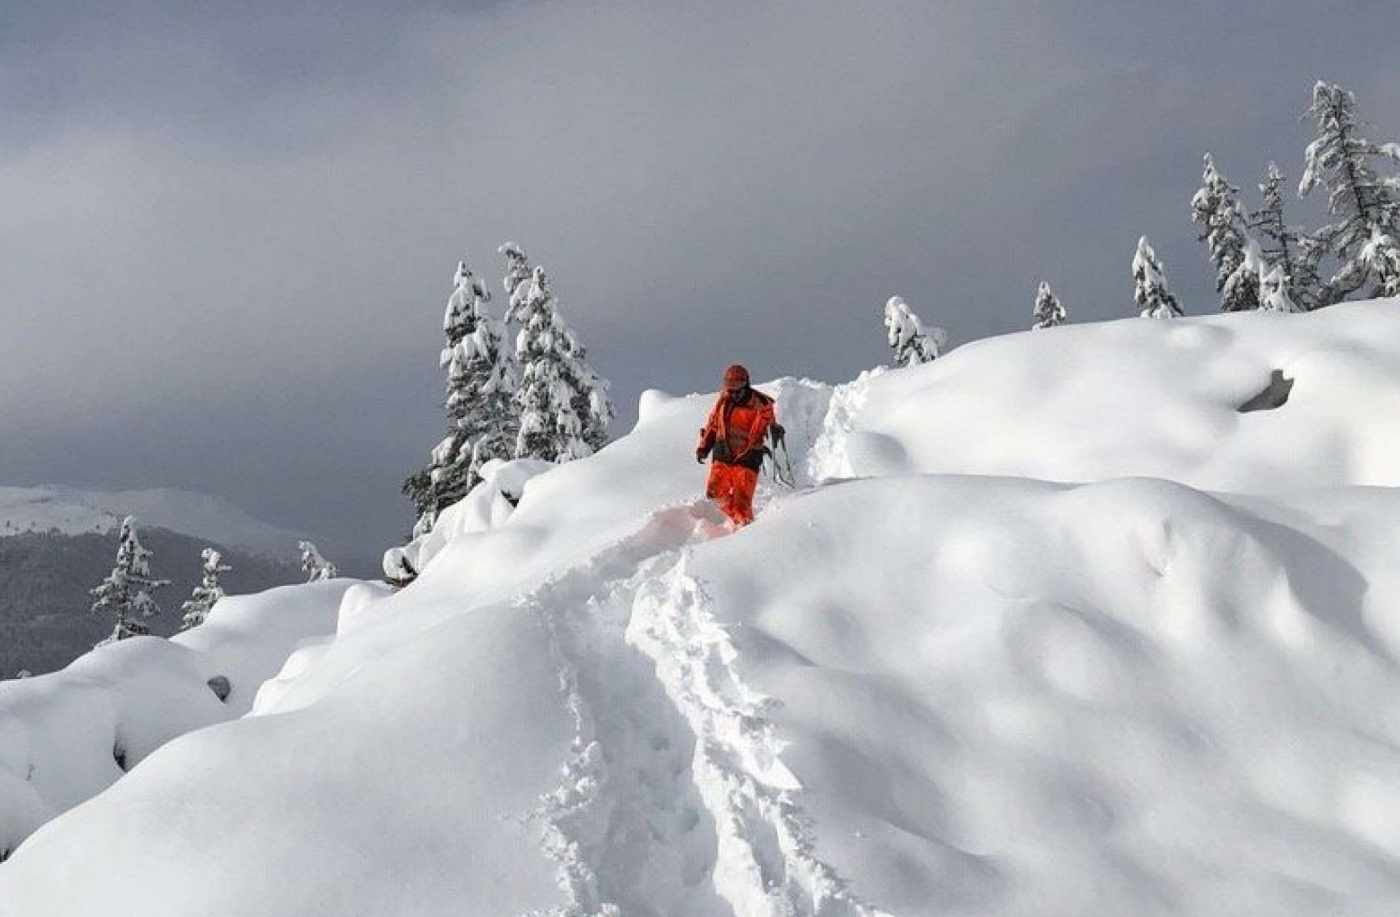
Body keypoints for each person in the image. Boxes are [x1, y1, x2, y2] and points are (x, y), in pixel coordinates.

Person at [695, 364, 778, 527]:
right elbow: (713, 425)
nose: (732, 394)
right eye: (729, 390)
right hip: (723, 455)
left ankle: (745, 533)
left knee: (742, 506)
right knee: (714, 495)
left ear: (746, 386)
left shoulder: (761, 406)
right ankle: (738, 523)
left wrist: (775, 429)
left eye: (736, 390)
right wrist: (704, 447)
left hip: (747, 460)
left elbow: (770, 423)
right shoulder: (723, 401)